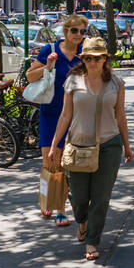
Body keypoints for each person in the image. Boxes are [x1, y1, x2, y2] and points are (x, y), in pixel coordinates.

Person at [46, 36, 133, 261]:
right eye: (88, 58)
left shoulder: (116, 83)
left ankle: (92, 240)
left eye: (97, 58)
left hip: (109, 145)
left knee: (101, 196)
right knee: (78, 196)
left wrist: (127, 145)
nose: (93, 62)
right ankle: (82, 221)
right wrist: (54, 145)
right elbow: (65, 115)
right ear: (83, 59)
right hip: (78, 145)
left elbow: (120, 116)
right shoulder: (73, 81)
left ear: (105, 58)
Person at [25, 14, 86, 225]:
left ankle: (60, 209)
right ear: (66, 31)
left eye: (82, 31)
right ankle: (47, 198)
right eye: (74, 31)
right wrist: (48, 66)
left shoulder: (85, 52)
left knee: (66, 163)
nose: (78, 35)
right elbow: (30, 76)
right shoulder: (50, 49)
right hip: (51, 113)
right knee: (50, 162)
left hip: (76, 115)